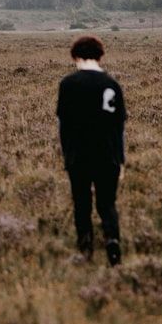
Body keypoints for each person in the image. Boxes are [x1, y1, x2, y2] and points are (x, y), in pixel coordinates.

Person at [56, 35, 126, 265]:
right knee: (107, 204)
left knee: (82, 203)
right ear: (100, 56)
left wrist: (67, 155)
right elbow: (118, 125)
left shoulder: (68, 84)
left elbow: (64, 124)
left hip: (79, 155)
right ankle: (112, 241)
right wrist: (121, 159)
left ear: (75, 56)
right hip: (108, 155)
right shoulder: (112, 85)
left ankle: (85, 249)